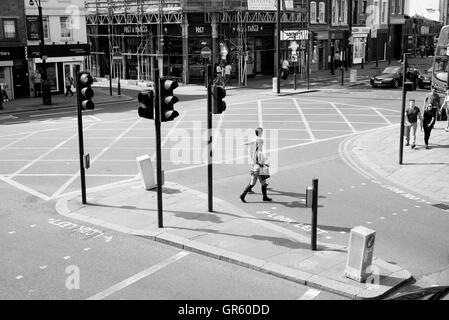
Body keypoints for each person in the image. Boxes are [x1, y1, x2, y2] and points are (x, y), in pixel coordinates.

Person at [240, 138, 272, 202]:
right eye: (262, 143)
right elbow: (265, 162)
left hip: (254, 168)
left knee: (252, 183)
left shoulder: (254, 151)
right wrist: (267, 163)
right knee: (263, 183)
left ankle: (243, 195)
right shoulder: (260, 152)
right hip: (260, 169)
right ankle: (264, 197)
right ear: (260, 144)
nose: (262, 144)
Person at [243, 127, 264, 194]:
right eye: (261, 132)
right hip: (257, 159)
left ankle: (250, 187)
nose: (262, 133)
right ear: (259, 133)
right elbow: (259, 151)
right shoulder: (260, 140)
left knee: (253, 174)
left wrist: (246, 143)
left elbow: (252, 143)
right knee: (257, 174)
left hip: (253, 159)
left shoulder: (254, 139)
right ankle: (262, 185)